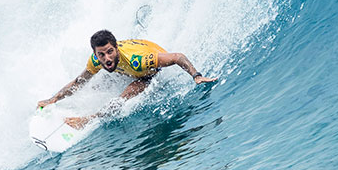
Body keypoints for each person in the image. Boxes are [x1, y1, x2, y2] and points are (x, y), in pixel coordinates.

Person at [37, 29, 216, 129]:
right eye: (101, 54)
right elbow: (79, 82)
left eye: (110, 52)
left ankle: (86, 120)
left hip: (147, 73)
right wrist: (53, 99)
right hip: (129, 63)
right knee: (94, 83)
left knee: (122, 98)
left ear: (115, 48)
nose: (106, 58)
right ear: (95, 54)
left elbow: (177, 57)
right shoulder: (97, 61)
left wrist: (196, 76)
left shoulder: (138, 62)